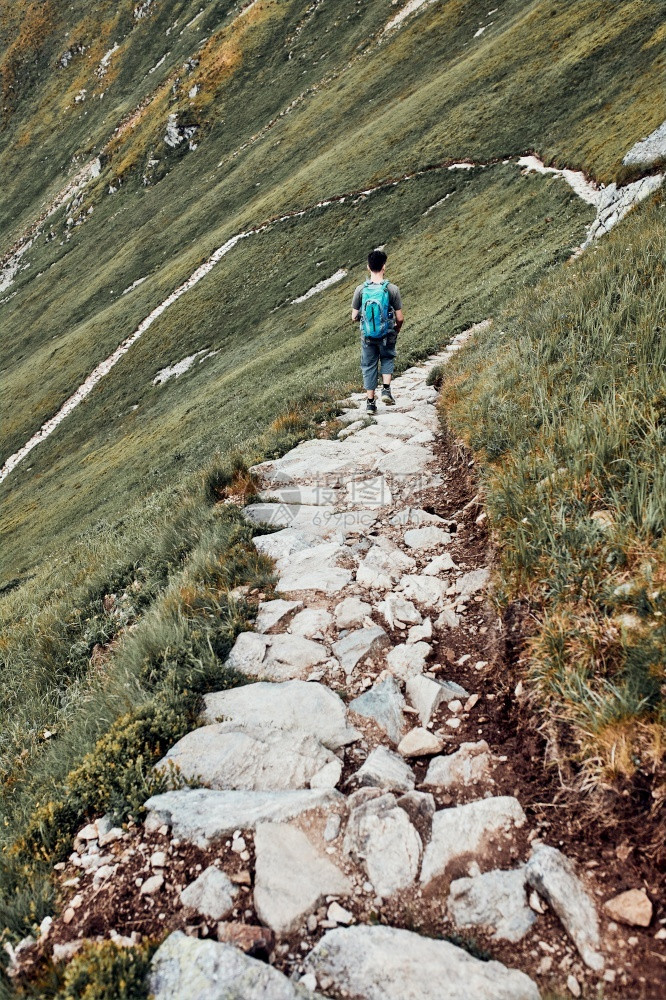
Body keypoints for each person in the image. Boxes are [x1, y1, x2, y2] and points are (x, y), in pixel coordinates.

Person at [351, 249, 404, 413]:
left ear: (368, 267)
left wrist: (366, 321)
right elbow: (400, 317)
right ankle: (386, 389)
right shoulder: (392, 289)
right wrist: (396, 329)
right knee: (387, 357)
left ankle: (370, 403)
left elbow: (353, 316)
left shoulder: (360, 289)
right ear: (384, 267)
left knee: (368, 365)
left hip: (367, 336)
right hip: (387, 333)